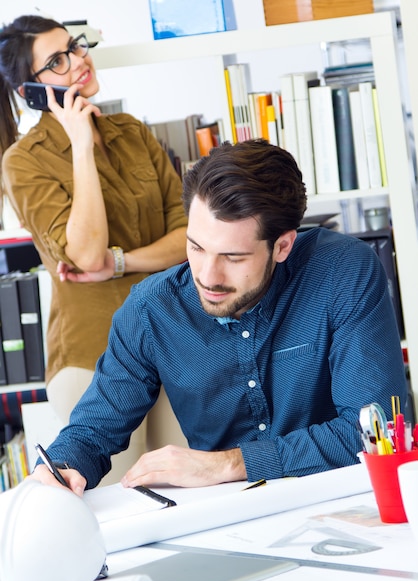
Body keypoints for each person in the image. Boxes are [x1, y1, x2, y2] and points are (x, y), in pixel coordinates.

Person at [31, 138, 407, 495]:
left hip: (342, 503)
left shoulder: (342, 272)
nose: (208, 277)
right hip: (222, 522)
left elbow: (377, 432)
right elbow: (94, 428)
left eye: (233, 257)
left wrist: (228, 464)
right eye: (196, 247)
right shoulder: (150, 310)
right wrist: (62, 467)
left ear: (282, 246)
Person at [0, 16, 187, 427]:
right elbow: (86, 254)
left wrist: (120, 262)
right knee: (118, 492)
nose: (79, 61)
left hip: (174, 345)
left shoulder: (132, 132)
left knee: (197, 486)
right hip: (94, 361)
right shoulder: (23, 162)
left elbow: (191, 236)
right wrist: (81, 144)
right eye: (57, 61)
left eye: (76, 47)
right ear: (29, 92)